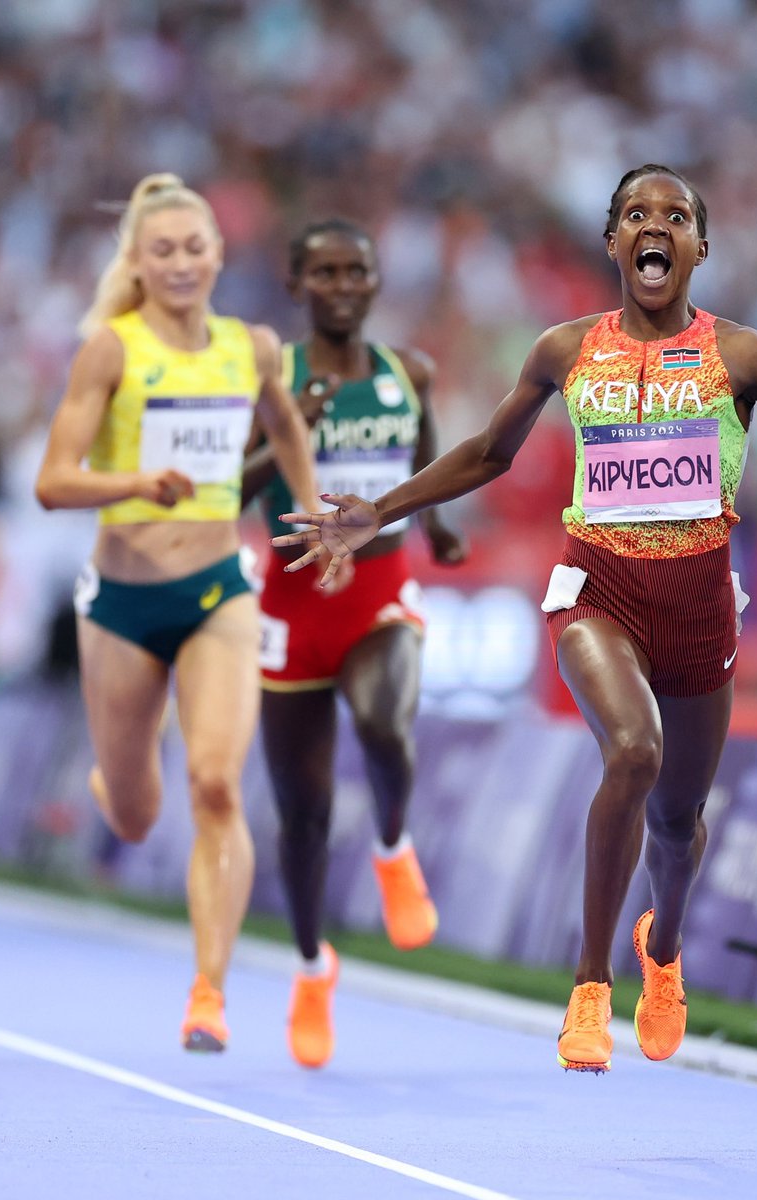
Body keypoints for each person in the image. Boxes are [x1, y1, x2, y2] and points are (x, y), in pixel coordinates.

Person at [271, 164, 757, 1073]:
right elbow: (486, 454)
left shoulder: (747, 356)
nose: (655, 227)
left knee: (679, 820)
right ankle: (588, 989)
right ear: (614, 242)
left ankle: (663, 950)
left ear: (699, 247)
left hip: (699, 611)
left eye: (676, 216)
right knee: (634, 751)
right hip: (597, 590)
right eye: (635, 215)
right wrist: (380, 511)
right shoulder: (564, 348)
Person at [34, 173, 320, 1053]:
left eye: (195, 247)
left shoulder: (253, 346)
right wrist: (135, 482)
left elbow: (288, 428)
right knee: (133, 813)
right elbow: (53, 481)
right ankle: (114, 780)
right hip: (120, 604)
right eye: (162, 250)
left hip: (214, 595)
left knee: (216, 784)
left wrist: (311, 516)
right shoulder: (110, 352)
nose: (182, 262)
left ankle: (209, 991)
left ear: (219, 254)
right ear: (139, 263)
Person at [241, 219, 467, 1068]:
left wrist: (437, 526)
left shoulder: (410, 372)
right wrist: (282, 434)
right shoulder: (272, 377)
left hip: (378, 586)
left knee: (384, 723)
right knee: (302, 816)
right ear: (297, 285)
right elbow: (228, 490)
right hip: (292, 605)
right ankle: (310, 968)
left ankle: (392, 847)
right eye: (324, 271)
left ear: (375, 282)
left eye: (357, 271)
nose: (342, 284)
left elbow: (428, 450)